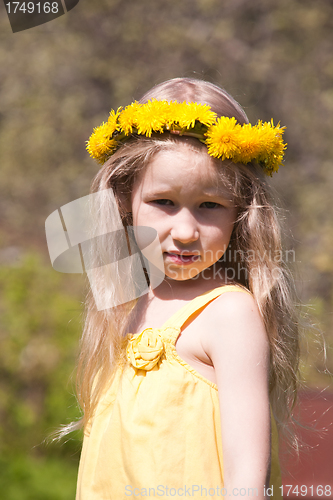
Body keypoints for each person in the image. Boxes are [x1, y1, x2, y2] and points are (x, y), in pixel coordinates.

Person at [72, 77, 300, 499]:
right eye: (164, 202)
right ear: (125, 199)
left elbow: (247, 480)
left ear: (241, 213)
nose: (184, 231)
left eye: (209, 206)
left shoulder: (228, 314)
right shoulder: (125, 304)